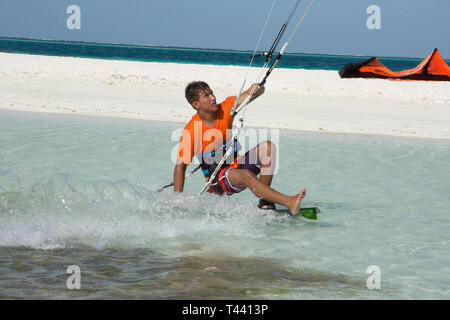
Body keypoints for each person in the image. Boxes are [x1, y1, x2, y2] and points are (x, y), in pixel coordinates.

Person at [173, 81, 306, 215]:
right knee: (245, 175)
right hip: (218, 183)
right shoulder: (191, 131)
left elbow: (250, 94)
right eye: (207, 96)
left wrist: (258, 87)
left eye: (212, 93)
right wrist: (178, 201)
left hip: (237, 168)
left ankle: (265, 203)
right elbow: (180, 166)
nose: (213, 98)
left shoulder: (225, 109)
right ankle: (289, 201)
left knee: (268, 147)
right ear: (196, 105)